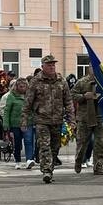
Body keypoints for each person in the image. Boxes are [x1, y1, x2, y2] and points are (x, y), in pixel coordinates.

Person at [22, 54, 72, 183]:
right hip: (41, 120)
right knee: (44, 145)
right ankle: (46, 171)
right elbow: (28, 102)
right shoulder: (35, 81)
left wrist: (72, 120)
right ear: (42, 66)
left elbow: (68, 102)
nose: (52, 67)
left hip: (57, 120)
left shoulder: (62, 81)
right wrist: (24, 120)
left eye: (53, 64)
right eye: (49, 65)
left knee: (55, 147)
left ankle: (50, 168)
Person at [72, 71, 103, 175]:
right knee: (82, 143)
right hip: (85, 118)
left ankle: (98, 166)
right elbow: (72, 94)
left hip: (100, 116)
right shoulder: (82, 82)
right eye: (93, 67)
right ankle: (79, 161)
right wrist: (83, 96)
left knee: (100, 143)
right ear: (89, 68)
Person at [3, 78, 30, 166]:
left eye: (24, 86)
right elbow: (7, 110)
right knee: (17, 143)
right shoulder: (11, 96)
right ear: (17, 87)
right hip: (15, 123)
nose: (22, 88)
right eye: (20, 86)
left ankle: (29, 160)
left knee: (28, 141)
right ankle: (17, 160)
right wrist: (6, 124)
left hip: (27, 123)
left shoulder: (29, 95)